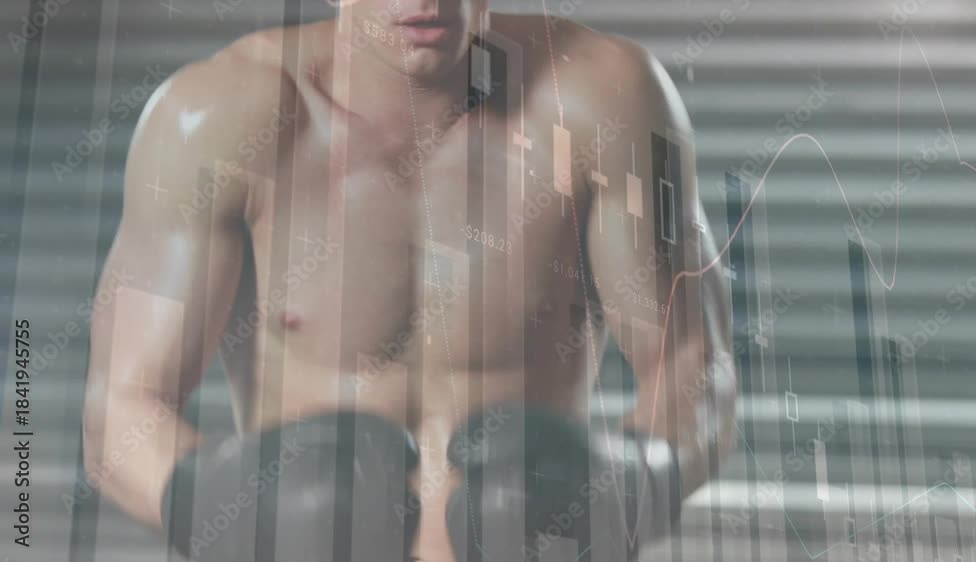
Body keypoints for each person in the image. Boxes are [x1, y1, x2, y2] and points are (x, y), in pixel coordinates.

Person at [81, 1, 737, 560]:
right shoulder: (214, 120)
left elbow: (693, 366)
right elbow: (120, 409)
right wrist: (222, 501)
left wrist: (635, 480)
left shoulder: (606, 100)